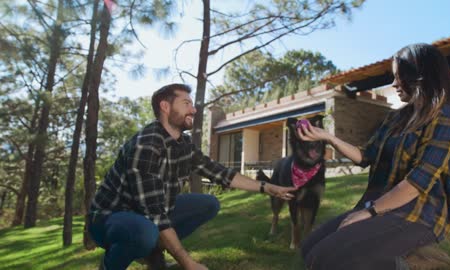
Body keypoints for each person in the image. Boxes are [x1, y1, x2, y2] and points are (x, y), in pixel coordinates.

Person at [297, 43, 450, 270]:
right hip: (379, 205)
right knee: (309, 248)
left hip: (417, 214)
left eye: (400, 76)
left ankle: (411, 265)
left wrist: (369, 212)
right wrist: (328, 137)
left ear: (420, 77)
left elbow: (416, 184)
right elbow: (365, 155)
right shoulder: (396, 118)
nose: (394, 83)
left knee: (325, 258)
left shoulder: (446, 116)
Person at [87, 83, 297, 270]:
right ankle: (109, 265)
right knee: (145, 232)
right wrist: (187, 262)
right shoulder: (146, 145)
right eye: (186, 103)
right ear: (165, 107)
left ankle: (153, 252)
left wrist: (266, 187)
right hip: (109, 217)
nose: (194, 109)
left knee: (208, 204)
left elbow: (219, 173)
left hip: (150, 214)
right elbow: (155, 215)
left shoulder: (183, 144)